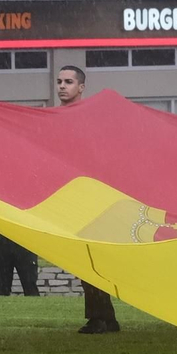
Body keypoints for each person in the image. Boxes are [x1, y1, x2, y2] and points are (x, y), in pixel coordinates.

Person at [56, 66, 120, 334]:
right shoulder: (53, 119)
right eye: (59, 81)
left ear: (81, 87)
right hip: (69, 196)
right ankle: (105, 316)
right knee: (86, 259)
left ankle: (100, 317)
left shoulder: (89, 118)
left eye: (68, 82)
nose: (62, 86)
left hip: (89, 197)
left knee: (90, 258)